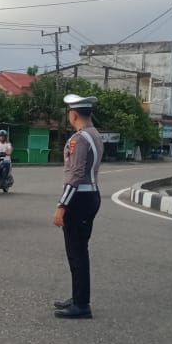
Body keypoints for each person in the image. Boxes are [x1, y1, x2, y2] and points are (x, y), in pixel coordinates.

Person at [52, 94, 103, 319]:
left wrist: (62, 206)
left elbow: (76, 175)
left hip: (79, 199)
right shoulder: (95, 134)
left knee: (77, 252)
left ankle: (81, 304)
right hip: (90, 195)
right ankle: (78, 297)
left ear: (73, 114)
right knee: (79, 250)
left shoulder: (80, 139)